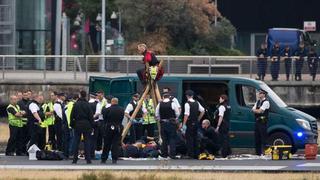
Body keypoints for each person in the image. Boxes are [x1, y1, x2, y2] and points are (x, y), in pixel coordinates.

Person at [70, 90, 94, 164]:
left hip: (78, 124)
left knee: (76, 141)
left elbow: (72, 116)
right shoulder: (88, 105)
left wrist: (72, 124)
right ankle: (88, 159)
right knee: (87, 142)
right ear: (85, 95)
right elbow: (91, 116)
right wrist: (91, 125)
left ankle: (75, 159)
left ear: (80, 95)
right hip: (86, 124)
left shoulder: (76, 104)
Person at [155, 93, 180, 159]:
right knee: (172, 139)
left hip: (163, 123)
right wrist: (175, 118)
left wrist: (161, 119)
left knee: (164, 139)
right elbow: (177, 113)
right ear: (169, 97)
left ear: (163, 97)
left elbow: (156, 114)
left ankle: (164, 154)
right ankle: (172, 154)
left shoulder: (159, 104)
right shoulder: (173, 103)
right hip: (171, 123)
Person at [182, 90, 205, 159]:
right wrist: (198, 118)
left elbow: (186, 115)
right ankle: (196, 154)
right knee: (195, 138)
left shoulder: (187, 104)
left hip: (189, 123)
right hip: (196, 123)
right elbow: (203, 111)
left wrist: (184, 124)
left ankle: (190, 154)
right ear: (192, 96)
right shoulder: (197, 102)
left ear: (187, 96)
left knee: (189, 139)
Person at [101, 98, 124, 164]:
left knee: (107, 143)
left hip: (108, 127)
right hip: (118, 127)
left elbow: (104, 118)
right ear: (117, 102)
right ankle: (114, 159)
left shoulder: (107, 109)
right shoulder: (122, 109)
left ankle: (104, 159)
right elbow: (122, 118)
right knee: (115, 144)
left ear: (112, 102)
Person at [252, 89, 270, 155]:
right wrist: (257, 110)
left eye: (260, 93)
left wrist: (256, 110)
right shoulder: (258, 102)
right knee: (257, 137)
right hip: (257, 121)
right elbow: (252, 109)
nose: (259, 94)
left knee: (264, 138)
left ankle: (266, 152)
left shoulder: (266, 102)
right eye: (259, 93)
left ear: (264, 94)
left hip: (263, 122)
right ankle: (258, 153)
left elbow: (261, 111)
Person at [54, 92, 69, 158]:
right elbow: (60, 115)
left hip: (62, 123)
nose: (65, 97)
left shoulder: (63, 103)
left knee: (63, 137)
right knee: (59, 137)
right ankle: (60, 151)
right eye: (64, 96)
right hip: (59, 123)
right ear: (60, 97)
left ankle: (62, 150)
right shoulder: (57, 104)